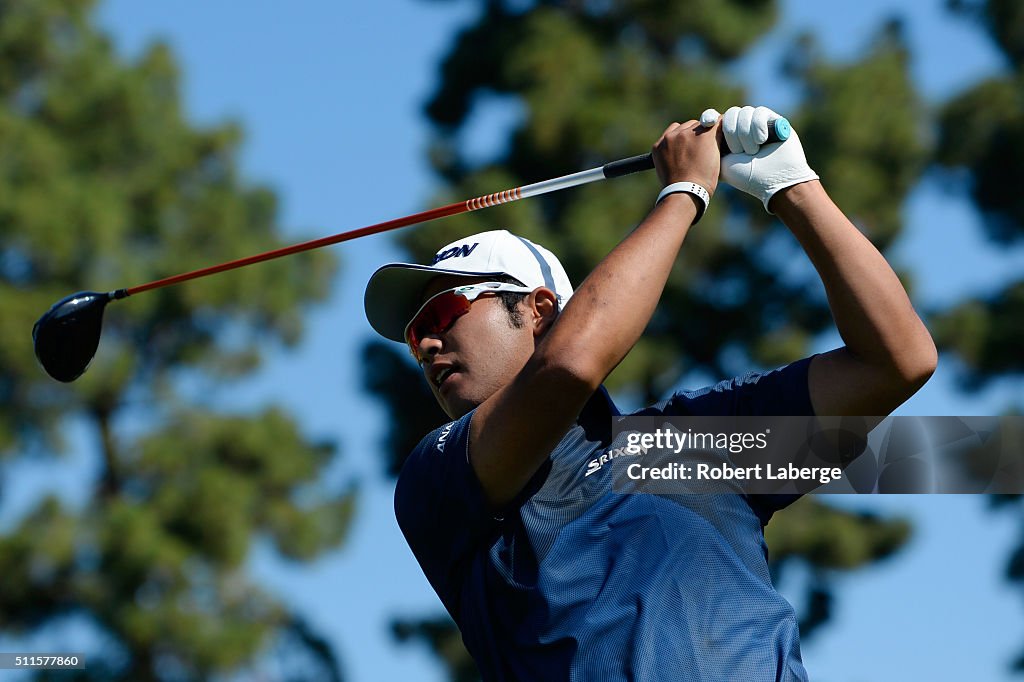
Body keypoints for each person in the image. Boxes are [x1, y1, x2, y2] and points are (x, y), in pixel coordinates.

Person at [363, 106, 937, 681]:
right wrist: (685, 192)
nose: (428, 345)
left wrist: (794, 190)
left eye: (444, 312)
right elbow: (568, 367)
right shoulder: (436, 481)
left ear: (538, 311)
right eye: (415, 338)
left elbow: (897, 361)